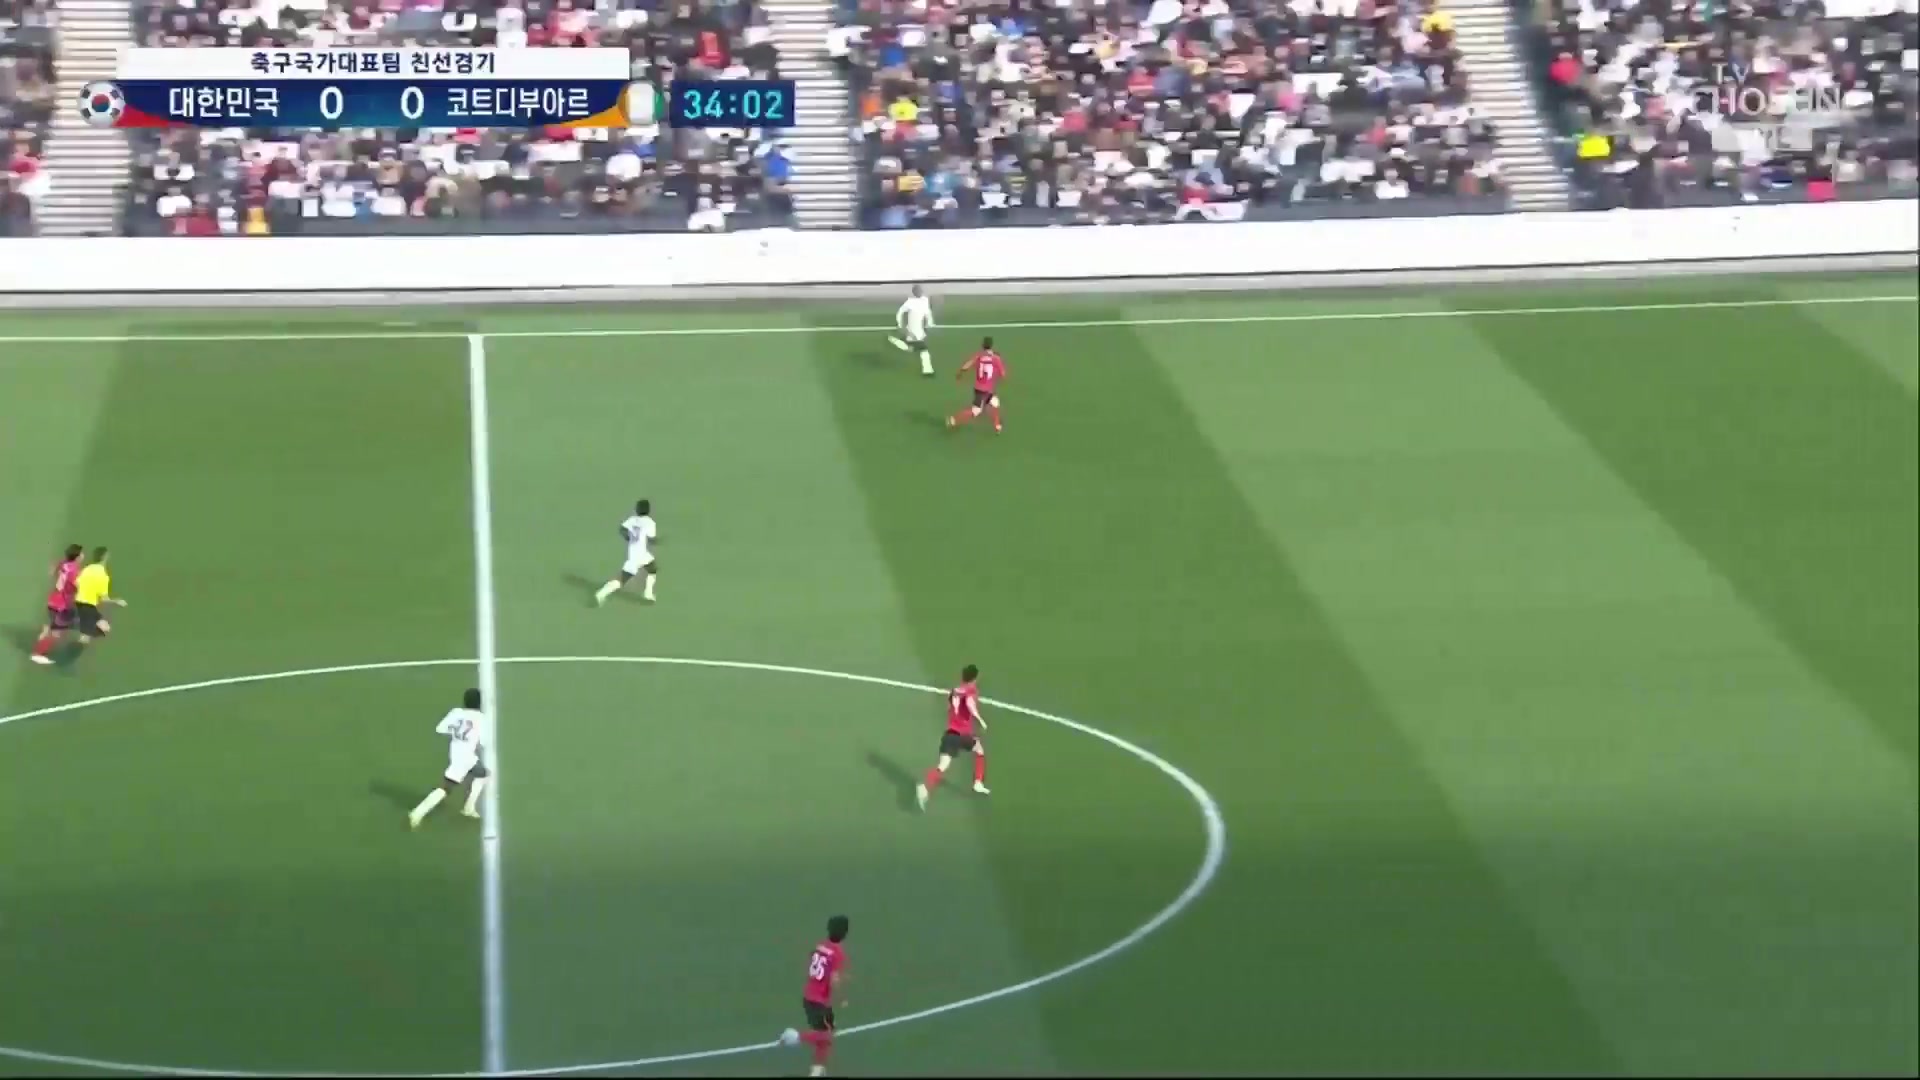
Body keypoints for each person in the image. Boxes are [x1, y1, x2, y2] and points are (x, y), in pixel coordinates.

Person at [408, 688, 491, 829]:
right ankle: (417, 813)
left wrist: (456, 732)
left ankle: (469, 807)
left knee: (483, 773)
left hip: (456, 752)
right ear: (479, 703)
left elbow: (440, 728)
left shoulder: (456, 712)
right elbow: (484, 742)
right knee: (447, 787)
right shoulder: (481, 719)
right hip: (465, 758)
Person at [780, 914, 850, 1078]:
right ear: (844, 932)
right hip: (819, 1001)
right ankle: (795, 1036)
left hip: (809, 995)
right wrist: (842, 998)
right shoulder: (838, 952)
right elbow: (834, 980)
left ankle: (817, 1071)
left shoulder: (820, 946)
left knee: (824, 1039)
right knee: (826, 1035)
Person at [916, 664, 990, 810]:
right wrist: (980, 720)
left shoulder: (955, 691)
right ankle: (978, 783)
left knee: (942, 766)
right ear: (974, 678)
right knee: (979, 750)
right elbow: (970, 704)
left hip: (950, 734)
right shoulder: (971, 690)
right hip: (963, 735)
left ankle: (924, 787)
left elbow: (953, 705)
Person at [594, 499, 658, 606]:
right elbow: (651, 539)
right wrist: (658, 541)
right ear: (648, 510)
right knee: (623, 578)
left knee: (652, 568)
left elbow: (622, 529)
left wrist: (627, 537)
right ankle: (601, 593)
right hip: (640, 554)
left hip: (634, 552)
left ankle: (648, 593)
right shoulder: (650, 522)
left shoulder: (632, 519)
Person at [29, 544, 85, 666]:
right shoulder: (75, 570)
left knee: (55, 628)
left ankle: (43, 637)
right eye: (81, 553)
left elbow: (52, 571)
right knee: (56, 633)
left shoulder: (63, 563)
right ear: (77, 556)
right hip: (60, 605)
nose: (83, 555)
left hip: (53, 601)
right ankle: (37, 654)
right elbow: (78, 585)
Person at [68, 547, 126, 663]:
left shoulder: (87, 569)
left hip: (80, 603)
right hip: (87, 606)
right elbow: (104, 599)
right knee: (92, 634)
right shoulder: (103, 576)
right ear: (105, 557)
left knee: (99, 630)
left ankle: (81, 627)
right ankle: (69, 654)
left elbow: (76, 583)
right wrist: (117, 601)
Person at [947, 338, 1006, 433]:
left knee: (995, 402)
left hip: (979, 388)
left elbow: (967, 365)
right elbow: (1003, 374)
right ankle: (953, 420)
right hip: (986, 390)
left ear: (983, 345)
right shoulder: (996, 358)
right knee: (975, 411)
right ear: (991, 345)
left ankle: (997, 426)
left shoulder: (978, 356)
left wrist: (960, 372)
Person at [888, 284, 936, 376]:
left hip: (920, 331)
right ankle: (928, 371)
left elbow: (927, 312)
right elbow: (900, 312)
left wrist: (930, 323)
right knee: (922, 350)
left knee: (912, 349)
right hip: (912, 331)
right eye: (917, 290)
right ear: (914, 292)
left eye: (920, 290)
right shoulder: (910, 302)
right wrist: (899, 324)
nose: (919, 292)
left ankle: (894, 340)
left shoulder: (925, 300)